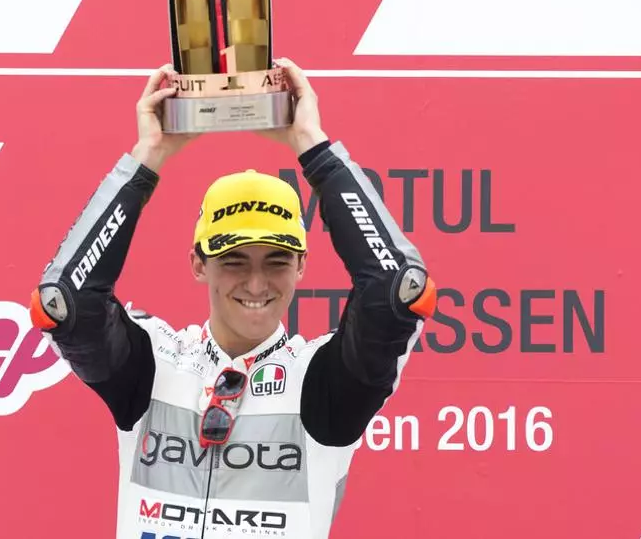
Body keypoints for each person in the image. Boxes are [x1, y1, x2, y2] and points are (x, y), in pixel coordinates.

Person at [29, 58, 436, 539]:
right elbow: (65, 302)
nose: (257, 284)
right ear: (199, 264)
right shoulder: (154, 366)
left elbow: (398, 288)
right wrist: (147, 157)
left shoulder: (324, 382)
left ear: (302, 266)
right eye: (235, 261)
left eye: (277, 261)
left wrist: (313, 147)